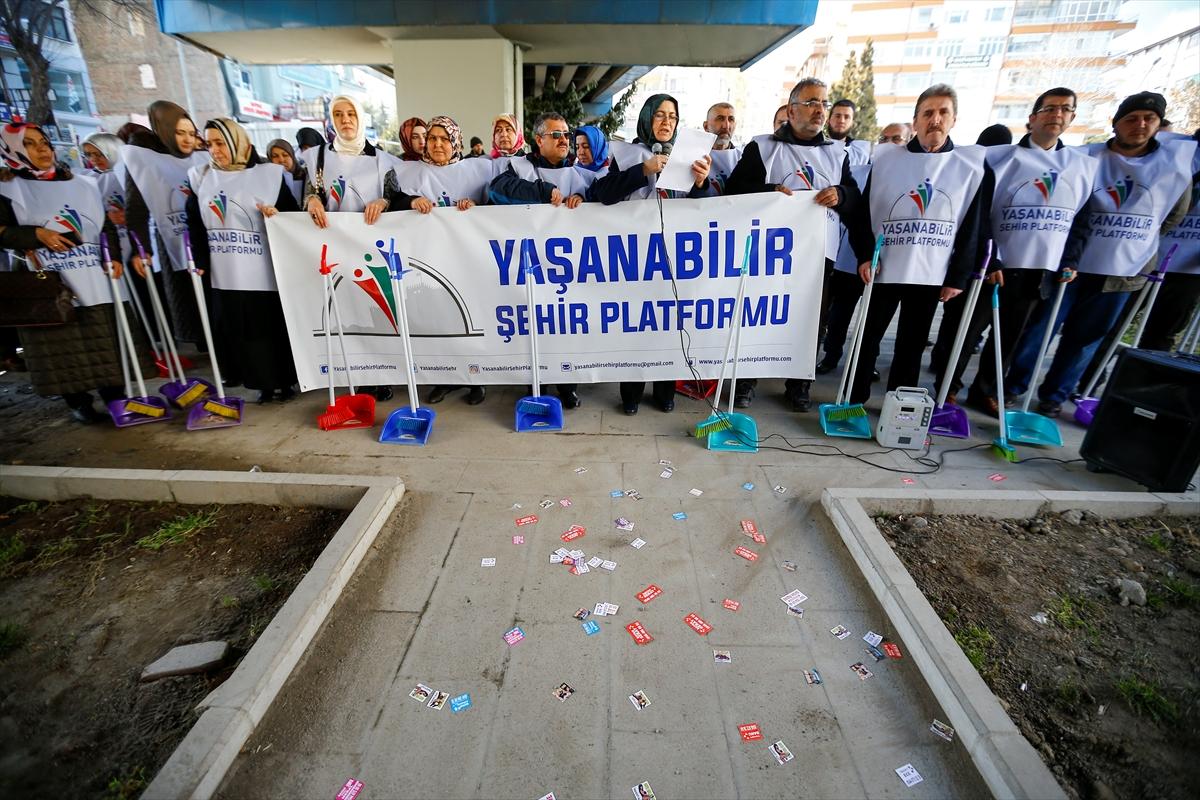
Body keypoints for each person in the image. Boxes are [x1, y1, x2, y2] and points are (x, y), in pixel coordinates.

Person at [1003, 91, 1195, 417]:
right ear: (1116, 123)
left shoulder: (1172, 167)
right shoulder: (1085, 157)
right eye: (1132, 118)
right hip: (1068, 263)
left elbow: (1174, 214)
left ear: (1159, 125)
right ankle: (1013, 386)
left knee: (1086, 338)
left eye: (1149, 120)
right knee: (1041, 328)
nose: (1140, 125)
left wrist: (1134, 240)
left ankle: (1054, 395)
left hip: (1122, 270)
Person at [936, 89, 1096, 415]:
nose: (1057, 114)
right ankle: (947, 388)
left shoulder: (1081, 166)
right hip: (992, 267)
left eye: (1065, 109)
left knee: (1010, 337)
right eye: (1049, 108)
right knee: (965, 333)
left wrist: (1070, 260)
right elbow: (978, 214)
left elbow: (1081, 219)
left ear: (1072, 118)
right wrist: (990, 255)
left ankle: (985, 391)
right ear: (1032, 118)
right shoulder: (999, 158)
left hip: (1040, 270)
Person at [724, 77, 866, 411]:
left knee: (811, 323)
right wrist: (768, 191)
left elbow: (856, 201)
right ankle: (746, 380)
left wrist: (842, 195)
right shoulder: (764, 147)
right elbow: (734, 191)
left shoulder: (836, 153)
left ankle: (798, 385)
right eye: (812, 102)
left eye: (823, 104)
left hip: (817, 258)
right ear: (791, 109)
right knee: (757, 318)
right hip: (767, 256)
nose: (820, 110)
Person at [846, 84, 993, 406]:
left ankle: (900, 405)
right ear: (916, 121)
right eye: (928, 113)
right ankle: (853, 400)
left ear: (954, 120)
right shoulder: (887, 160)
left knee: (912, 343)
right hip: (883, 264)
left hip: (930, 270)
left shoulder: (971, 166)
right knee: (867, 337)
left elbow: (975, 225)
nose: (935, 120)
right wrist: (863, 255)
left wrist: (958, 276)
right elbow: (864, 214)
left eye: (943, 113)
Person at [0, 123, 153, 423]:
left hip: (93, 274)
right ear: (12, 150)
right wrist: (36, 235)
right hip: (46, 278)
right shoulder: (7, 188)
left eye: (44, 142)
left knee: (104, 337)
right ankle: (78, 401)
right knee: (61, 343)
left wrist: (113, 255)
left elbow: (103, 226)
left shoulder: (83, 183)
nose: (42, 149)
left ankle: (116, 396)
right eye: (30, 144)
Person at [304, 94, 427, 402]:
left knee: (375, 311)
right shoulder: (317, 157)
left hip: (372, 247)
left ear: (360, 118)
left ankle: (381, 375)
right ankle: (356, 376)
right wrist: (311, 199)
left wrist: (382, 201)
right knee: (346, 312)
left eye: (351, 114)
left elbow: (395, 196)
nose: (346, 120)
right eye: (338, 114)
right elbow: (311, 193)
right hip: (335, 247)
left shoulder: (382, 159)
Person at [604, 93, 714, 414]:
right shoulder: (626, 154)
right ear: (647, 117)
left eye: (673, 117)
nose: (667, 122)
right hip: (635, 257)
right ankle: (632, 392)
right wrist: (643, 169)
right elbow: (604, 193)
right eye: (660, 115)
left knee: (669, 323)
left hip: (675, 257)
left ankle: (665, 390)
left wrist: (702, 183)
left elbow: (709, 204)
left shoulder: (689, 155)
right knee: (637, 326)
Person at [488, 112, 605, 410]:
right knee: (535, 327)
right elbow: (497, 191)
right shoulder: (519, 167)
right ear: (539, 140)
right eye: (556, 135)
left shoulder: (580, 172)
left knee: (566, 327)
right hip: (530, 264)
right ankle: (535, 386)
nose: (564, 140)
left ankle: (568, 387)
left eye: (566, 134)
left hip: (570, 267)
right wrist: (541, 191)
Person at [186, 118, 301, 404]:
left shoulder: (269, 176)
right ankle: (259, 383)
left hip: (264, 270)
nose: (215, 150)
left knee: (269, 328)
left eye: (221, 143)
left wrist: (276, 216)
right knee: (238, 331)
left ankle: (284, 382)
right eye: (210, 144)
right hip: (225, 271)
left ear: (239, 144)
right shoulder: (202, 178)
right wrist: (199, 259)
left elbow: (292, 216)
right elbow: (195, 224)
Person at [405, 115, 497, 406]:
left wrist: (476, 207)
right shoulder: (410, 173)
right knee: (439, 320)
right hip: (430, 261)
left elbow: (496, 206)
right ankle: (444, 378)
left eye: (444, 138)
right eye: (432, 138)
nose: (438, 144)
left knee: (471, 319)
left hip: (467, 260)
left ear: (455, 140)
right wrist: (410, 202)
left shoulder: (477, 169)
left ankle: (476, 380)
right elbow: (392, 199)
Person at [818, 123, 916, 377]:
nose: (889, 143)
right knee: (839, 314)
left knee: (873, 320)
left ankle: (864, 364)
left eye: (897, 139)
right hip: (849, 259)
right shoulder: (859, 171)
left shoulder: (909, 177)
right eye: (884, 138)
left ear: (908, 140)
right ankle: (830, 356)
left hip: (886, 262)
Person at [123, 100, 209, 351]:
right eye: (179, 133)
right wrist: (142, 248)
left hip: (203, 236)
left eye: (191, 133)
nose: (186, 140)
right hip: (171, 235)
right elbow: (135, 206)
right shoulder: (144, 158)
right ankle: (203, 345)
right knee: (187, 296)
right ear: (164, 130)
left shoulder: (202, 154)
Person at [704, 102, 741, 192]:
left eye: (731, 119)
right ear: (706, 126)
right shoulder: (695, 157)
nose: (726, 126)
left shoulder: (743, 158)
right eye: (720, 119)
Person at [827, 99, 870, 165]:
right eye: (837, 116)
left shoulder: (861, 155)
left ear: (852, 123)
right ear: (828, 120)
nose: (841, 121)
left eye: (846, 117)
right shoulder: (814, 149)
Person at [266, 138, 306, 205]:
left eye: (285, 155)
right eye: (275, 156)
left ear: (292, 156)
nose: (281, 160)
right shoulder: (267, 180)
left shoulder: (305, 175)